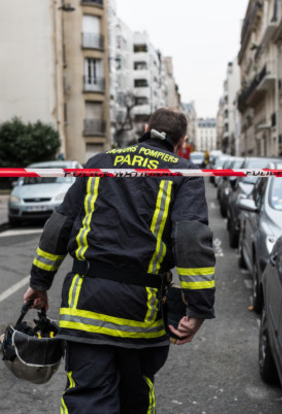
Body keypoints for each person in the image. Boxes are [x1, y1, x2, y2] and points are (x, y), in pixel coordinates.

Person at [23, 107, 216, 414]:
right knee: (135, 399)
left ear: (146, 127)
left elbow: (58, 226)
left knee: (86, 399)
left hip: (84, 307)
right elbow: (191, 240)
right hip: (140, 312)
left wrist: (39, 283)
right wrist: (199, 307)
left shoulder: (100, 163)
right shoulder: (183, 172)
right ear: (182, 140)